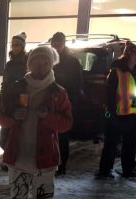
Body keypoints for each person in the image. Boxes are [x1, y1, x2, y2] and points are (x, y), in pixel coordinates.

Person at [0, 46, 73, 199]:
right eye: (37, 62)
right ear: (30, 64)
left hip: (45, 159)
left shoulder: (59, 92)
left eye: (45, 62)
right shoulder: (15, 88)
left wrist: (47, 118)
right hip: (18, 156)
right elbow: (1, 117)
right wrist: (13, 118)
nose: (41, 66)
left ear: (51, 64)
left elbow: (67, 123)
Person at [96, 41, 136, 179]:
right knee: (111, 144)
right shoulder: (116, 72)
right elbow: (109, 94)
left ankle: (129, 170)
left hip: (133, 115)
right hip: (117, 114)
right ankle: (105, 170)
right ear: (126, 54)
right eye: (133, 53)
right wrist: (110, 113)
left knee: (130, 145)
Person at [50, 32, 83, 176]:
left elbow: (77, 85)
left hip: (64, 103)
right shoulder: (48, 59)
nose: (56, 48)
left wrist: (70, 103)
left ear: (64, 44)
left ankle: (62, 166)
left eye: (59, 45)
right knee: (49, 135)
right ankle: (50, 163)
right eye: (54, 45)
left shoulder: (72, 62)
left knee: (62, 136)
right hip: (48, 103)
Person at [0, 32, 29, 169]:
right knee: (6, 131)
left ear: (23, 46)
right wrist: (1, 99)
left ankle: (14, 160)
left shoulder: (27, 62)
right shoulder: (9, 64)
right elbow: (4, 83)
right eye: (13, 45)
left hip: (22, 100)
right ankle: (8, 157)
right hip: (8, 100)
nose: (15, 47)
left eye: (18, 45)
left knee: (18, 131)